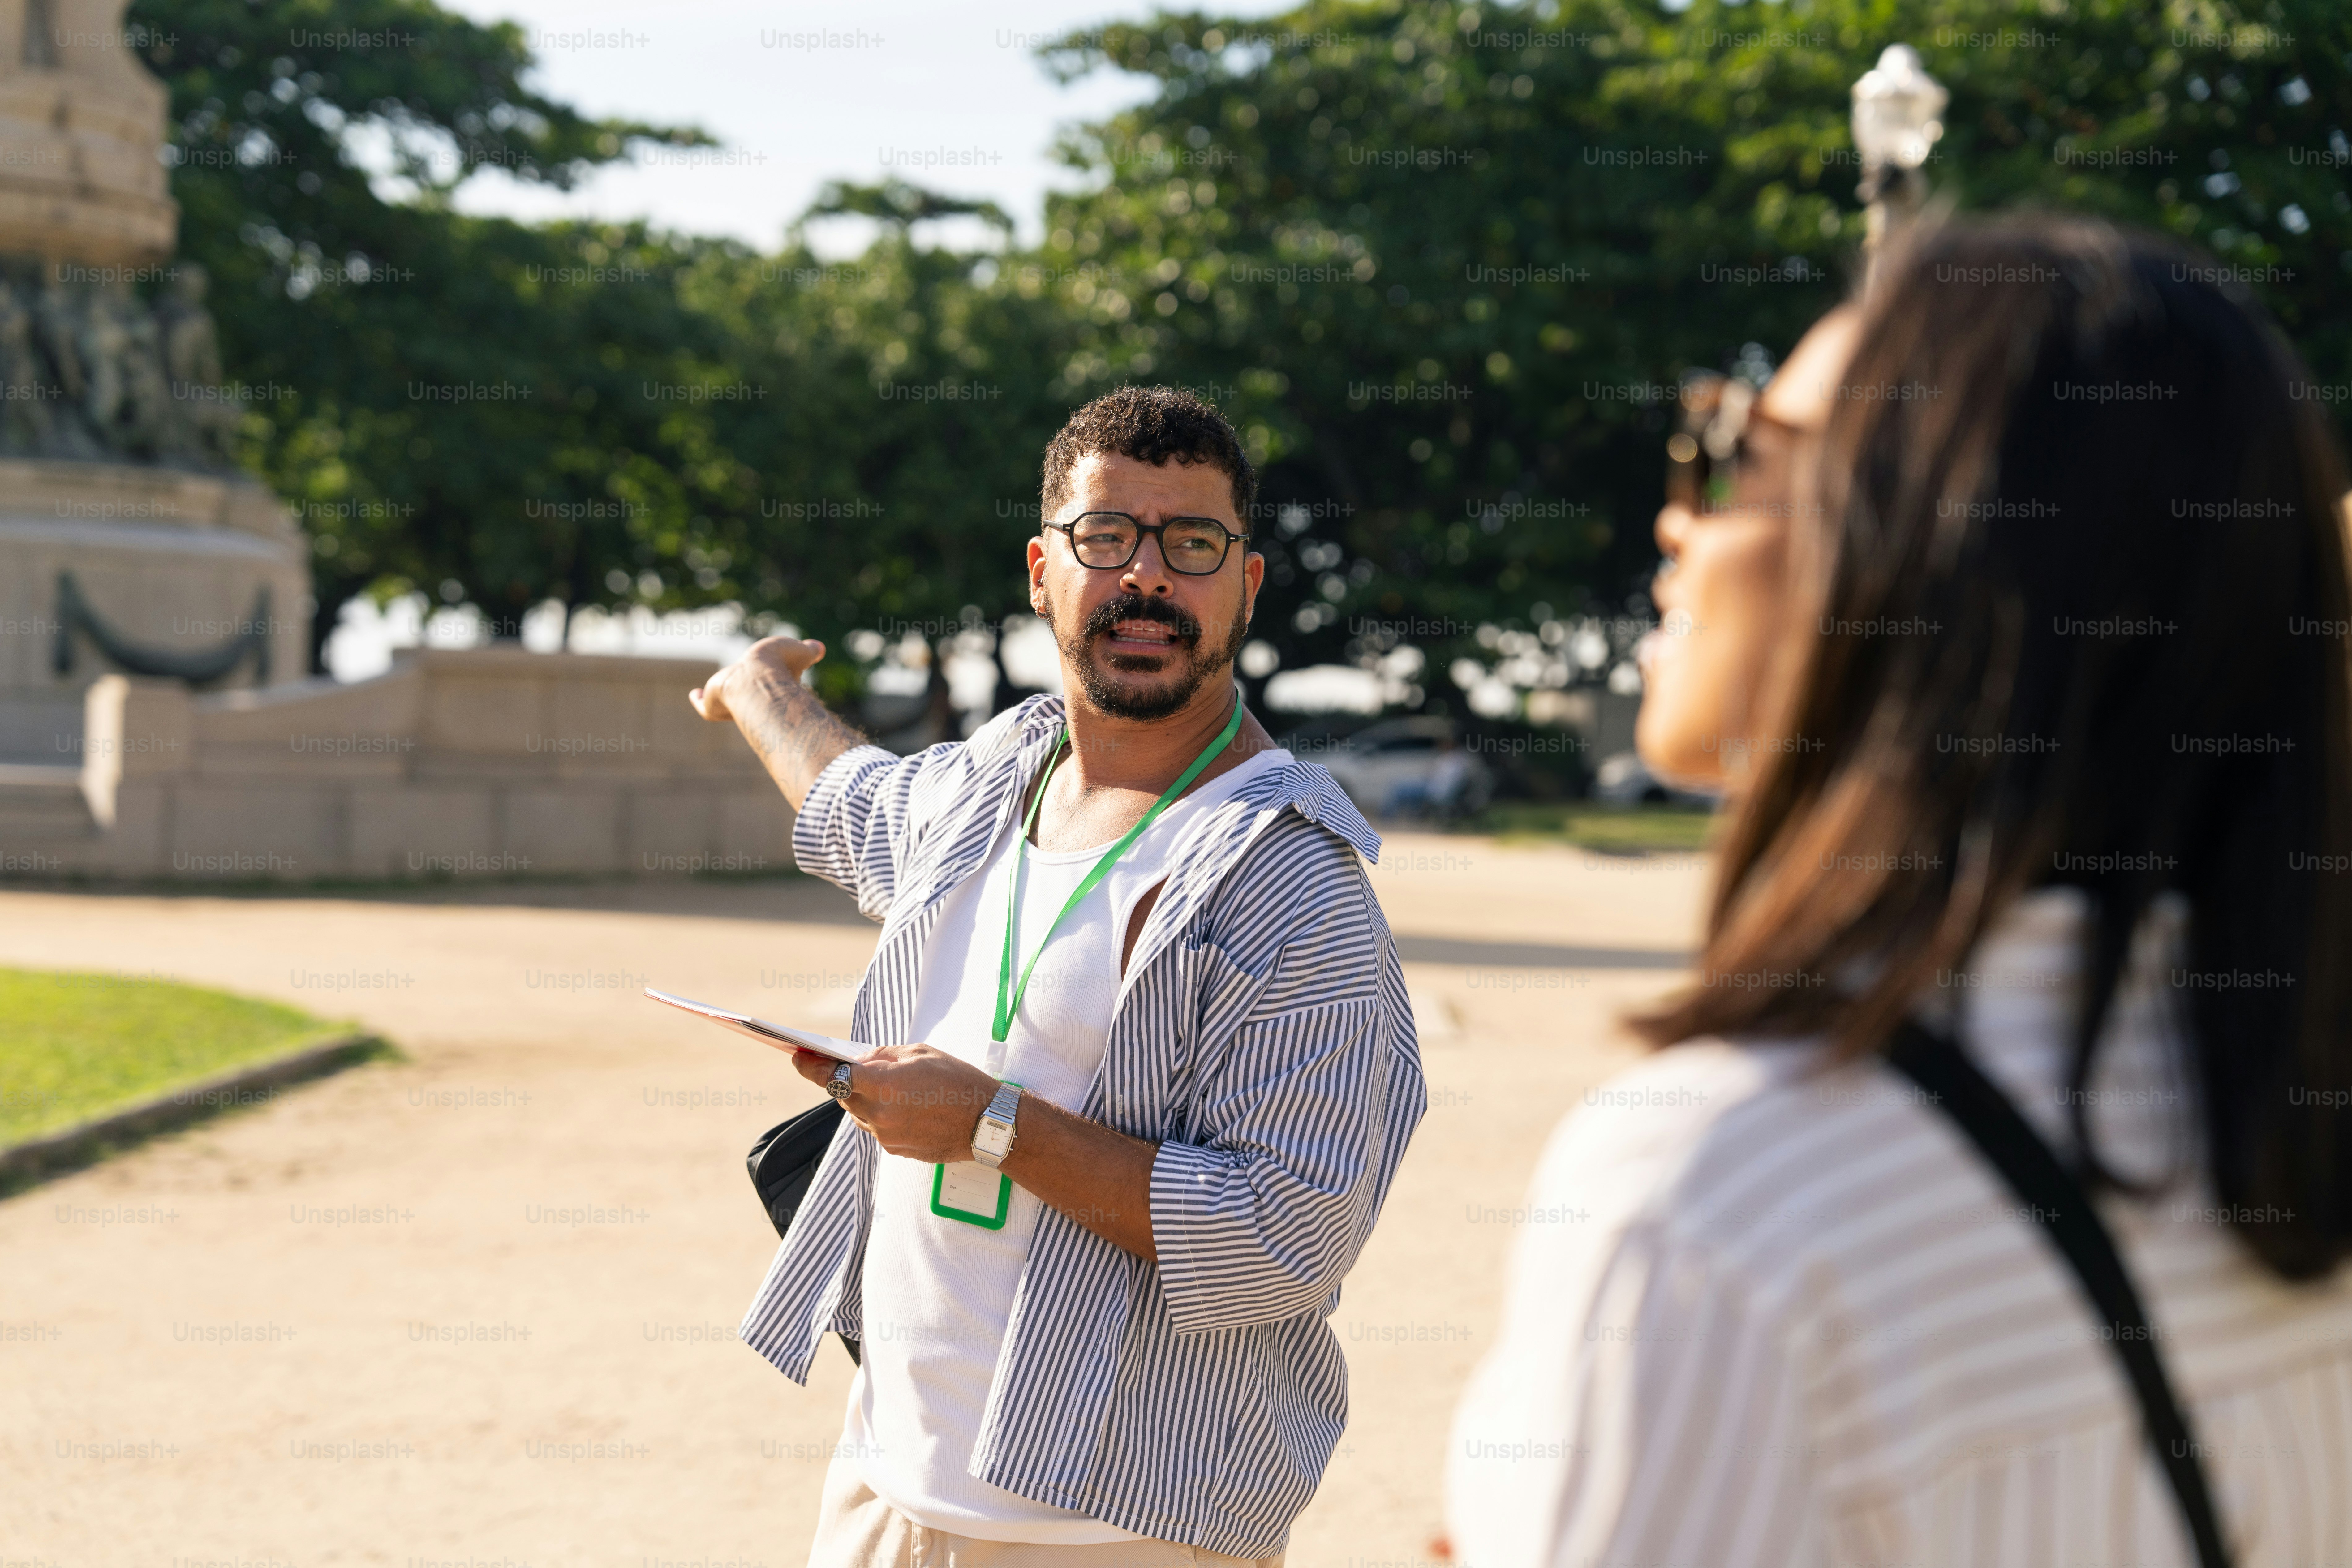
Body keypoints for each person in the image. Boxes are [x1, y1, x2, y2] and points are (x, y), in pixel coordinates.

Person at [1446, 215, 2352, 1566]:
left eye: (1736, 453)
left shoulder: (1723, 1192)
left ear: (1923, 545)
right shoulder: (2277, 1102)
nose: (1675, 518)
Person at [692, 386, 1426, 1566]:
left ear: (1245, 586)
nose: (1146, 578)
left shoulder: (1290, 884)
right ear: (1042, 572)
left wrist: (991, 1125)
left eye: (1192, 544)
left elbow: (1285, 1236)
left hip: (1114, 1530)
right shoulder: (994, 784)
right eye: (1106, 540)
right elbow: (852, 803)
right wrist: (760, 692)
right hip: (887, 1487)